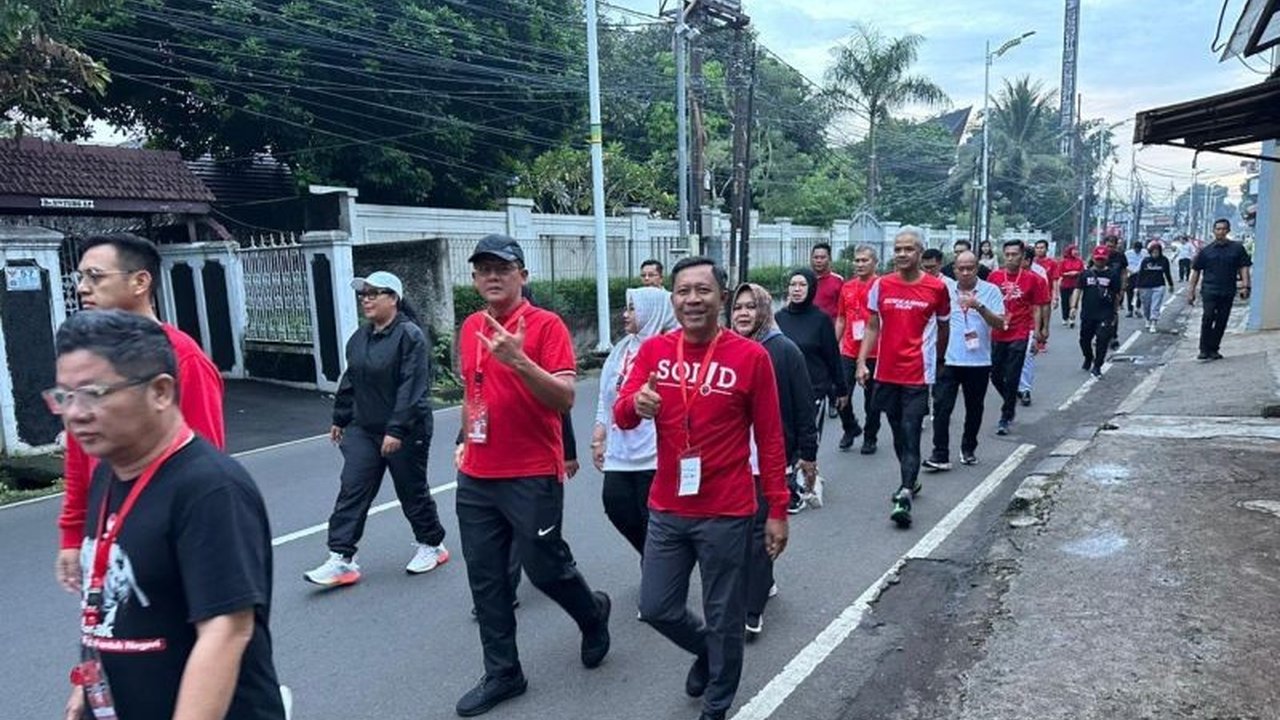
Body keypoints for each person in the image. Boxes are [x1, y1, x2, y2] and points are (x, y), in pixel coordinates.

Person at [52, 310, 284, 720]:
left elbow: (226, 630)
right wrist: (84, 695)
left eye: (94, 393)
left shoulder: (210, 489)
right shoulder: (109, 472)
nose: (75, 413)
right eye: (65, 396)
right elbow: (105, 603)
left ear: (160, 392)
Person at [615, 256, 789, 720]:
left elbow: (771, 439)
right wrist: (637, 401)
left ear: (722, 298)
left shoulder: (751, 357)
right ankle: (709, 655)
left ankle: (717, 702)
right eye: (683, 291)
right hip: (668, 506)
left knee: (725, 616)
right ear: (672, 299)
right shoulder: (652, 352)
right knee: (656, 607)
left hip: (727, 510)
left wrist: (777, 509)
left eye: (703, 290)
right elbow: (621, 414)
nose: (692, 299)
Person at [453, 234, 611, 717]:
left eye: (502, 268)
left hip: (530, 474)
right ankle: (504, 673)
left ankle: (592, 615)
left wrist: (518, 360)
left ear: (523, 274)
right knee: (486, 579)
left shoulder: (546, 326)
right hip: (478, 475)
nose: (492, 277)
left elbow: (564, 399)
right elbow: (471, 390)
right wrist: (463, 439)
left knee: (544, 568)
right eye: (483, 269)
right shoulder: (471, 326)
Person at [55, 233, 225, 594]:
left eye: (95, 277)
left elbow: (207, 460)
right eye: (79, 278)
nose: (82, 288)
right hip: (104, 530)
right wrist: (73, 535)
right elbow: (78, 453)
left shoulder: (183, 357)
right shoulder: (87, 358)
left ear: (140, 281)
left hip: (164, 537)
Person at [303, 272, 449, 587]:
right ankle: (342, 558)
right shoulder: (360, 338)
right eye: (363, 294)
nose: (366, 299)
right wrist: (340, 418)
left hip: (407, 429)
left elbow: (412, 387)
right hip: (365, 428)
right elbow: (352, 379)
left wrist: (395, 431)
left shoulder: (410, 336)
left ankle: (432, 544)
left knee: (411, 490)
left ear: (393, 298)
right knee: (352, 488)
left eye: (374, 293)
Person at [730, 282, 817, 639]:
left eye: (751, 306)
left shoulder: (784, 351)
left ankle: (752, 610)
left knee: (758, 534)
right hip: (731, 461)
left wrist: (807, 456)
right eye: (738, 307)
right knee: (735, 535)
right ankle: (758, 583)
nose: (744, 313)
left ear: (764, 309)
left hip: (770, 458)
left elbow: (803, 406)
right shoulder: (725, 349)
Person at [855, 227, 951, 529]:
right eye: (897, 249)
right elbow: (872, 327)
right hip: (885, 372)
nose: (901, 254)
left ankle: (905, 493)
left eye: (908, 249)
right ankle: (908, 478)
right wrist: (861, 362)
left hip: (917, 375)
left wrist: (938, 361)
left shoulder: (936, 288)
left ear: (920, 253)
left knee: (910, 430)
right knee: (896, 431)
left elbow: (944, 328)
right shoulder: (881, 285)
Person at [592, 287, 675, 557]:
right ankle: (653, 558)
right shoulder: (621, 350)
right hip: (620, 451)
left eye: (632, 308)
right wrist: (598, 438)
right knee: (616, 506)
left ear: (653, 311)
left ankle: (658, 567)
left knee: (652, 517)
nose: (625, 315)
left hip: (655, 453)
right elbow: (605, 399)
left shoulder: (670, 349)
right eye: (626, 308)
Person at [925, 251, 1005, 469]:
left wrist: (978, 306)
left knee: (974, 408)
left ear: (977, 269)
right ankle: (940, 454)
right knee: (941, 407)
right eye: (961, 268)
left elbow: (1000, 323)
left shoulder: (991, 291)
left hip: (978, 361)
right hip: (948, 360)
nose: (966, 272)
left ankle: (968, 448)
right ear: (954, 270)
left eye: (970, 268)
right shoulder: (944, 290)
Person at [776, 267, 847, 501]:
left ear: (811, 288)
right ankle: (792, 479)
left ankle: (804, 480)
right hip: (782, 390)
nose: (797, 290)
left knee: (806, 436)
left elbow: (832, 357)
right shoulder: (779, 319)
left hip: (814, 389)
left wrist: (841, 388)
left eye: (802, 285)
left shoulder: (820, 320)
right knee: (785, 437)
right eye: (793, 285)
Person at [988, 240, 1050, 436]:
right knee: (996, 374)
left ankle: (1006, 416)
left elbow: (1040, 305)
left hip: (1020, 331)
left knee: (1014, 373)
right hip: (998, 331)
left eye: (1014, 254)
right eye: (1006, 254)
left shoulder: (1034, 279)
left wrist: (1041, 329)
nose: (1010, 258)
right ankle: (1011, 396)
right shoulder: (994, 277)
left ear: (1023, 257)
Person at [835, 246, 881, 455]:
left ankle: (870, 436)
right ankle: (850, 427)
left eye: (864, 261)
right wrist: (832, 345)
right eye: (857, 260)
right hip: (849, 350)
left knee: (872, 400)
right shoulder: (847, 286)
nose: (860, 264)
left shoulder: (881, 285)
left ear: (875, 263)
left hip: (874, 351)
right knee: (840, 394)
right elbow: (841, 318)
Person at [1188, 219, 1252, 361]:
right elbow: (1196, 271)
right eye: (1218, 229)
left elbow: (1244, 268)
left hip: (1228, 290)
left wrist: (1245, 286)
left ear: (1228, 231)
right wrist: (1191, 291)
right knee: (1208, 317)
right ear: (1214, 231)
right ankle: (1204, 349)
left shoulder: (1237, 249)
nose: (1221, 232)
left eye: (1223, 229)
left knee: (1222, 320)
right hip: (1209, 290)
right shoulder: (1206, 251)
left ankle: (1214, 348)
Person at [1070, 246, 1124, 377]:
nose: (1100, 262)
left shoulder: (1113, 275)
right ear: (1093, 258)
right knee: (1084, 340)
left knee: (1102, 339)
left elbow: (1117, 295)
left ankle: (1098, 365)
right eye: (1097, 259)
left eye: (1102, 259)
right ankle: (1088, 357)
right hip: (1088, 313)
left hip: (1105, 313)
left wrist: (1115, 312)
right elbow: (1078, 290)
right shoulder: (1086, 274)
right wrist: (1073, 307)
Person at [1016, 254, 1051, 407]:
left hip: (1029, 325)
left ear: (1027, 260)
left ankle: (1025, 389)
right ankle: (1013, 386)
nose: (1013, 260)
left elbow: (1044, 304)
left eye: (1017, 257)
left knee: (1026, 357)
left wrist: (1043, 328)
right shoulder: (1000, 277)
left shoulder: (1038, 279)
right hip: (1007, 327)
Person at [1134, 241, 1175, 333]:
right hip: (1145, 286)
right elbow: (1140, 274)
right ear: (1150, 252)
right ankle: (1148, 319)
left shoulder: (1164, 260)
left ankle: (1153, 323)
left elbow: (1167, 273)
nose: (1155, 254)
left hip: (1159, 286)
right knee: (1147, 305)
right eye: (1153, 252)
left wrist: (1171, 284)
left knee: (1155, 305)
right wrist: (1137, 287)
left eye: (1157, 252)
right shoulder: (1145, 261)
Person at [921, 248, 946, 390]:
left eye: (932, 267)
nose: (928, 271)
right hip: (922, 343)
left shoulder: (947, 285)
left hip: (942, 343)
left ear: (940, 265)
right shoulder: (918, 284)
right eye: (925, 267)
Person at [809, 242, 844, 320]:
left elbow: (844, 310)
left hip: (830, 328)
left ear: (830, 259)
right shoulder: (804, 280)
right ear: (811, 259)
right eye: (816, 257)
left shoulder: (838, 281)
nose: (819, 261)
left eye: (822, 257)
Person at [1057, 244, 1085, 327]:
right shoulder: (1063, 261)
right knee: (1065, 302)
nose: (1076, 252)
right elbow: (1060, 273)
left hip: (1076, 284)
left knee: (1074, 302)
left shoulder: (1079, 261)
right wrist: (1068, 273)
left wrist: (1077, 273)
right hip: (1065, 284)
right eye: (1074, 250)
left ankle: (1072, 318)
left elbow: (1083, 272)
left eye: (1077, 250)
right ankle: (1065, 318)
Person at [1124, 239, 1146, 317]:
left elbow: (1144, 264)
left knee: (1139, 292)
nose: (1137, 251)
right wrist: (1129, 271)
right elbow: (1125, 264)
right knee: (1129, 292)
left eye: (1139, 249)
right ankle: (1130, 310)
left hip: (1140, 275)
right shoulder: (1128, 253)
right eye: (1136, 249)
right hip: (1130, 274)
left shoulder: (1144, 253)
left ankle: (1138, 309)